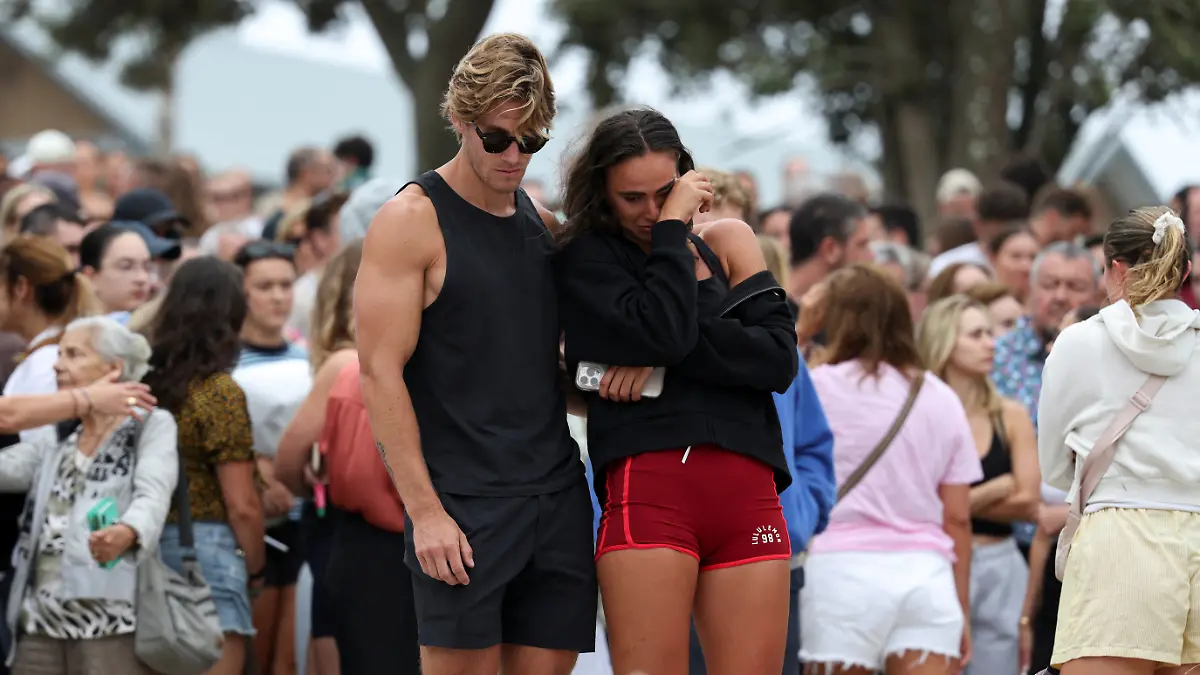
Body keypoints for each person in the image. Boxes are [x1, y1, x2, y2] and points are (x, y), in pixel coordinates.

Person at [355, 33, 595, 675]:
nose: (515, 155)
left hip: (555, 496)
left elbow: (541, 369)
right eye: (497, 139)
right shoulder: (411, 219)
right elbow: (379, 374)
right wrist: (425, 513)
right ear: (459, 122)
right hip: (461, 503)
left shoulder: (540, 224)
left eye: (533, 141)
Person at [556, 107, 798, 675]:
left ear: (688, 180)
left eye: (665, 194)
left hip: (749, 492)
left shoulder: (730, 239)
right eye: (632, 198)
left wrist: (659, 369)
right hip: (651, 491)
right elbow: (626, 349)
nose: (650, 211)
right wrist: (670, 234)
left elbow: (779, 361)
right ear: (602, 194)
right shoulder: (587, 258)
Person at [1040, 207, 1200, 675]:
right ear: (1185, 269)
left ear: (1114, 268)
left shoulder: (1078, 343)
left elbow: (1054, 468)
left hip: (1118, 538)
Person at [801, 265, 977, 675]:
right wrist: (961, 608)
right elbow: (958, 515)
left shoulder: (816, 386)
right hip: (924, 576)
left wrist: (800, 332)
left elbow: (770, 397)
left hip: (837, 575)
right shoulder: (940, 396)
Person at [0, 316, 177, 674]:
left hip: (111, 621)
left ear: (114, 369)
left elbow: (153, 495)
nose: (56, 363)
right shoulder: (60, 434)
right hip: (38, 622)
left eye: (73, 354)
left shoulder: (149, 425)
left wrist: (128, 531)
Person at [142, 257, 266, 675]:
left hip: (145, 552)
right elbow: (242, 504)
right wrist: (256, 566)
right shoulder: (218, 393)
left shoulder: (146, 386)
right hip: (207, 552)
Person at [917, 296, 1040, 675]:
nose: (991, 342)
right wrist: (993, 488)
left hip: (1000, 562)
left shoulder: (1010, 415)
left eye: (990, 332)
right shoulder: (919, 412)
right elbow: (918, 503)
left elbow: (1028, 502)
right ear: (944, 342)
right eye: (976, 334)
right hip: (938, 559)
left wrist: (955, 503)